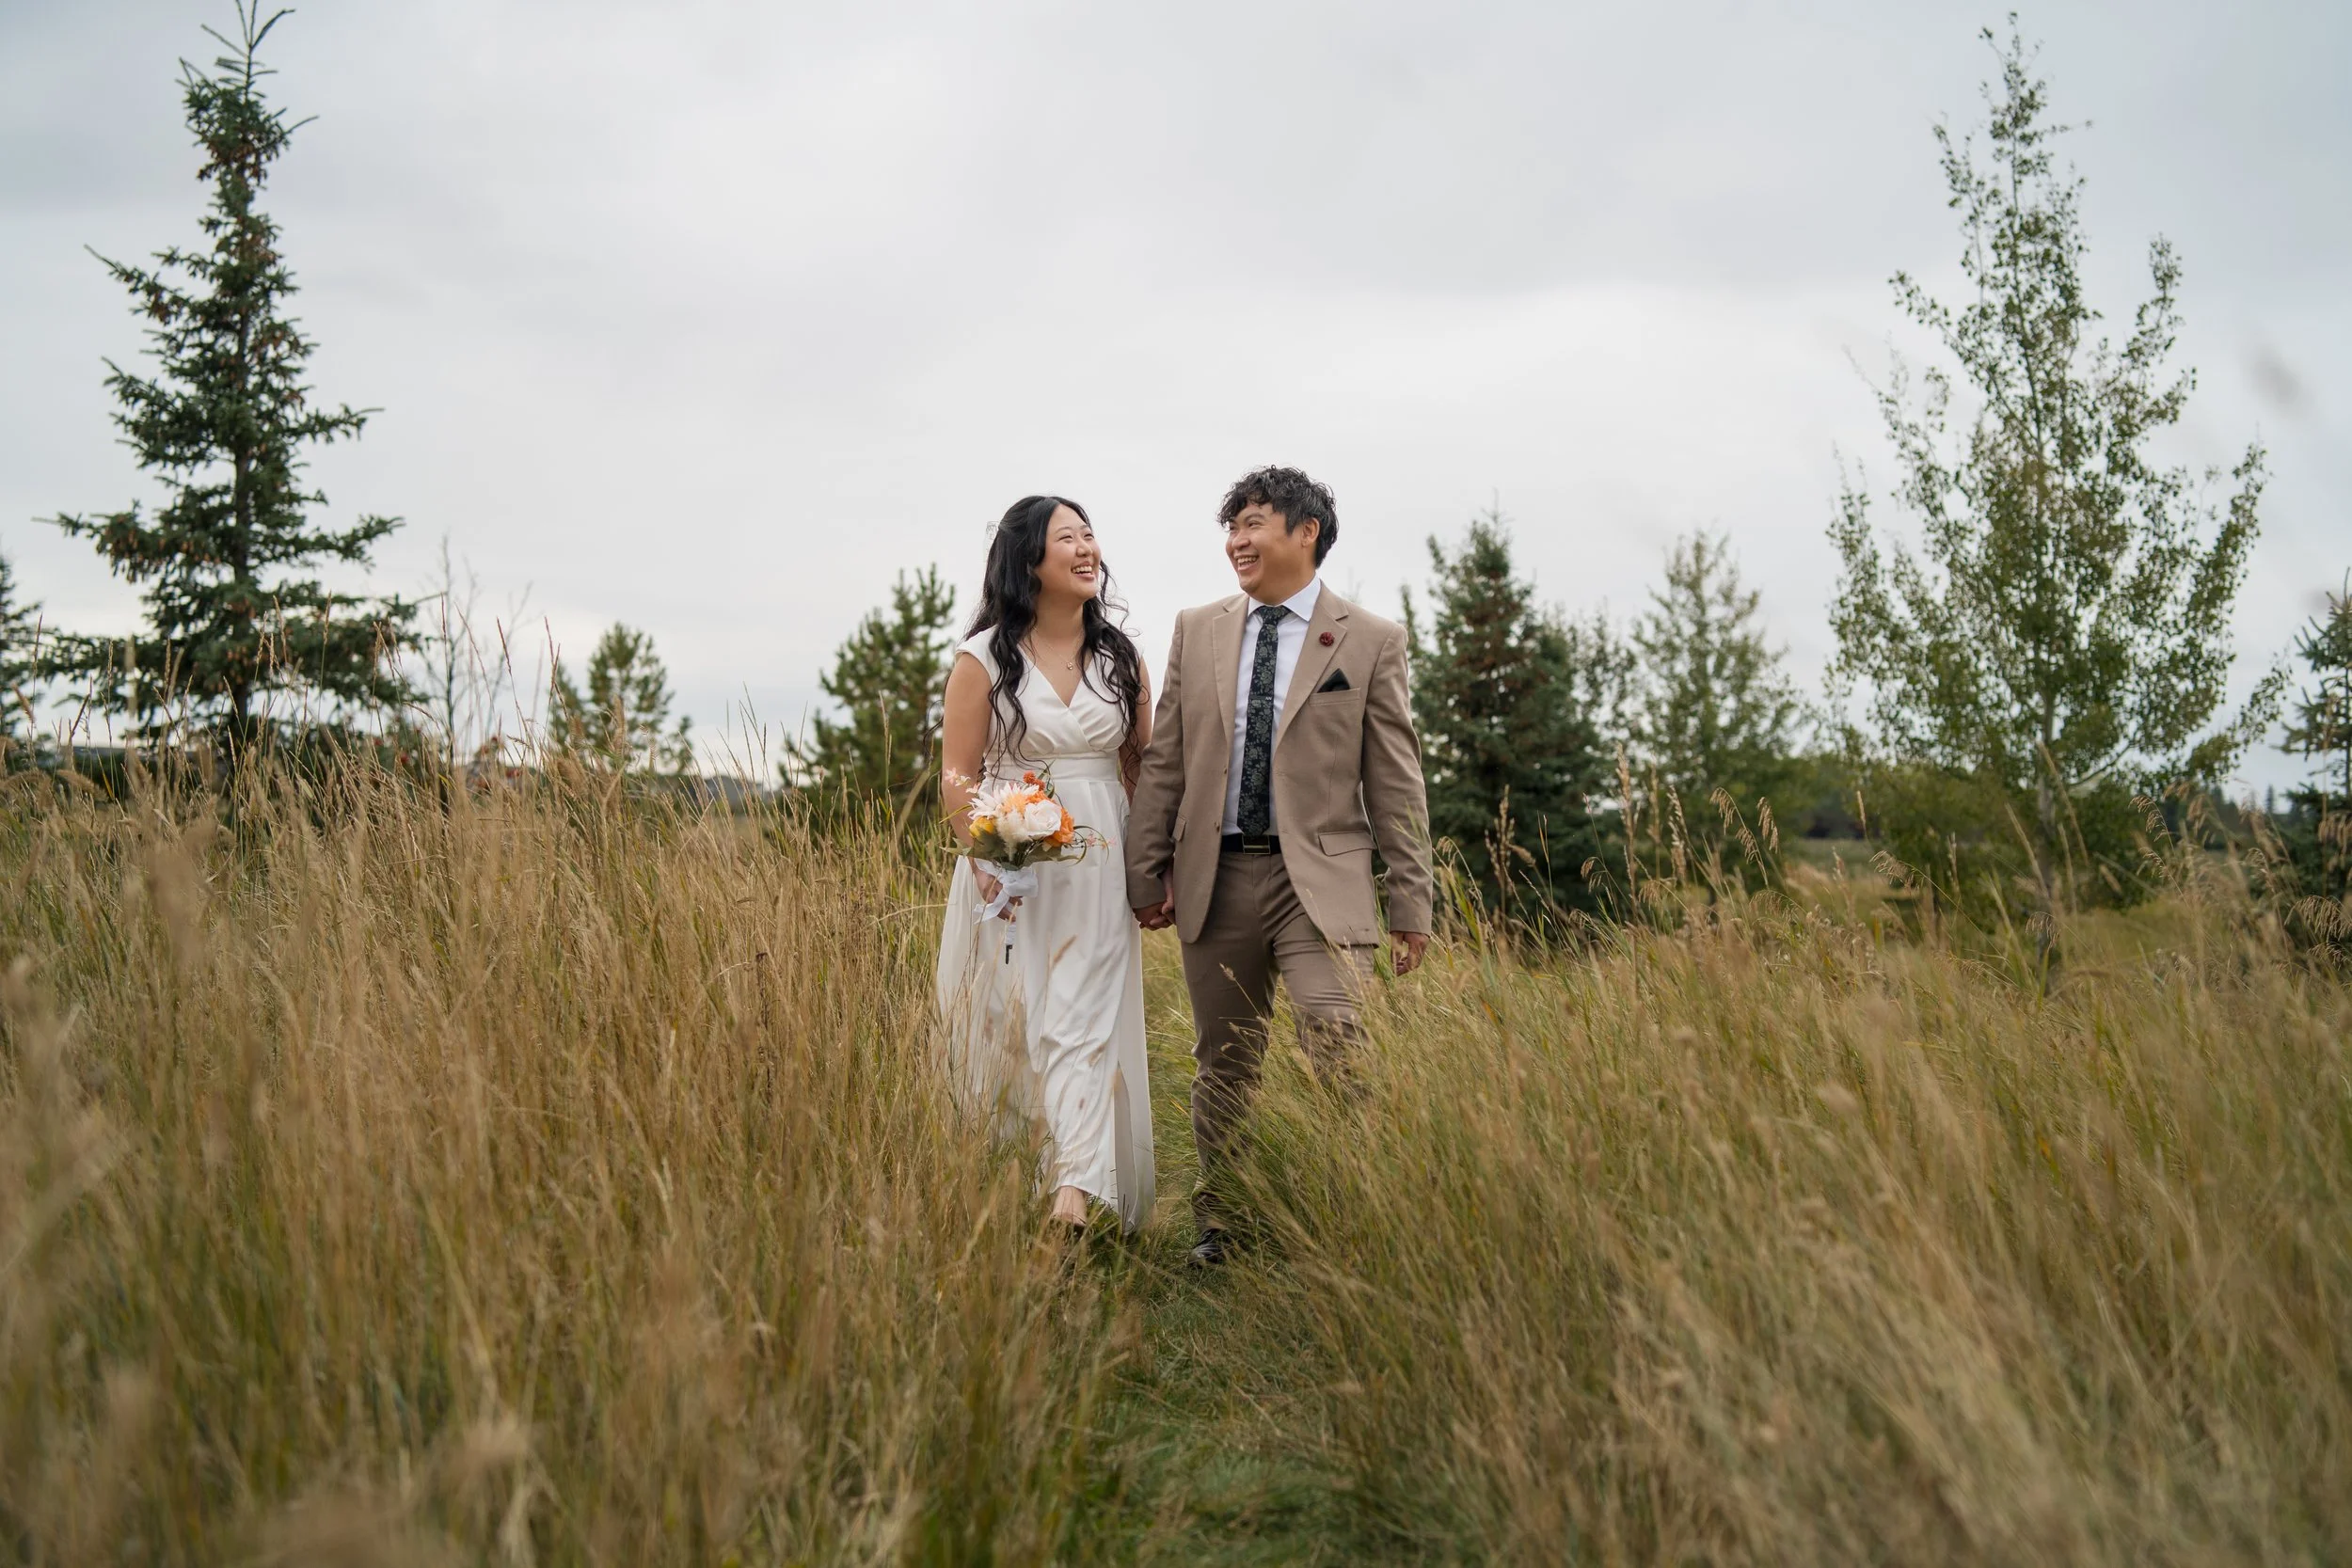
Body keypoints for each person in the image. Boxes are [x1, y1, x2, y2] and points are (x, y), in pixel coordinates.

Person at [1124, 465, 1433, 1267]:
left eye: (1254, 522)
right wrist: (1143, 867)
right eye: (1231, 527)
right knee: (1224, 1058)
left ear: (1307, 533)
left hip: (1319, 887)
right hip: (1214, 879)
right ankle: (1222, 1221)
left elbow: (1396, 777)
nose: (1237, 540)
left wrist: (1411, 900)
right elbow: (1166, 761)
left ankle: (1346, 1213)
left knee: (1339, 1034)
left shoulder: (1370, 639)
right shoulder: (1199, 626)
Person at [935, 495, 1155, 1235]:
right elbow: (958, 775)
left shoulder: (1120, 657)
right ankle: (1011, 1182)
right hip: (1014, 868)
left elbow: (1144, 772)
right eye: (1069, 537)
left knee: (1080, 1022)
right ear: (1030, 558)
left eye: (1092, 535)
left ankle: (1073, 1196)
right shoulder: (983, 658)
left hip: (1100, 862)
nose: (1088, 547)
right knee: (1016, 1024)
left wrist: (1153, 868)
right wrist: (989, 858)